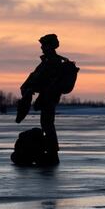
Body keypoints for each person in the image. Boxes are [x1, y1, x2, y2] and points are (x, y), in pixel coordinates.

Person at [19, 34, 72, 165]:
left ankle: (52, 154)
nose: (42, 48)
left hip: (50, 96)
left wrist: (32, 87)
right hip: (47, 96)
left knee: (48, 124)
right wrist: (28, 87)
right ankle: (50, 152)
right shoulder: (48, 61)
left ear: (50, 46)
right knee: (47, 124)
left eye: (43, 45)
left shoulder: (53, 61)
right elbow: (37, 76)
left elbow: (43, 79)